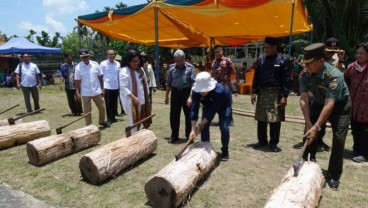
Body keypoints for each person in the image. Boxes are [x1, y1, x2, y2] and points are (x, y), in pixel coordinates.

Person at [299, 43, 351, 189]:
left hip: (339, 105)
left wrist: (317, 126)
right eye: (305, 63)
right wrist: (309, 123)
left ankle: (334, 175)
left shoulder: (335, 76)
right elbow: (304, 99)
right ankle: (308, 162)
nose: (306, 66)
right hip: (319, 101)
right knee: (308, 133)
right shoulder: (305, 74)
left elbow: (330, 104)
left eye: (310, 63)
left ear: (321, 61)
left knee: (339, 138)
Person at [250, 37, 291, 152]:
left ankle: (273, 143)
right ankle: (262, 141)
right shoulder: (261, 60)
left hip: (276, 93)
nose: (265, 49)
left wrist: (284, 96)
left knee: (275, 119)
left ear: (274, 47)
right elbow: (256, 76)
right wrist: (254, 92)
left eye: (268, 47)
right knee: (261, 118)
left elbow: (287, 79)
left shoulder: (283, 60)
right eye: (265, 47)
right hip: (263, 92)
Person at [189, 72, 232, 161]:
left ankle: (225, 151)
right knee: (204, 127)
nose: (202, 92)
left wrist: (200, 125)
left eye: (204, 90)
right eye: (201, 90)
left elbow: (212, 111)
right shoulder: (195, 91)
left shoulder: (220, 91)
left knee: (224, 127)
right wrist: (193, 129)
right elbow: (194, 108)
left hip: (224, 103)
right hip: (208, 104)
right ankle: (205, 148)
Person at [165, 49, 196, 143]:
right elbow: (168, 83)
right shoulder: (171, 68)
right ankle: (174, 136)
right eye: (177, 61)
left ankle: (188, 136)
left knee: (188, 115)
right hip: (175, 93)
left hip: (186, 92)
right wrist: (166, 96)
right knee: (174, 115)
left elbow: (193, 84)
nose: (179, 63)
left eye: (181, 60)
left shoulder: (190, 68)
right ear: (174, 59)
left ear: (184, 58)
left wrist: (190, 97)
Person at [344, 43, 368, 163]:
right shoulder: (351, 67)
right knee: (355, 128)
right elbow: (345, 80)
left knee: (365, 130)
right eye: (357, 53)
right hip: (354, 104)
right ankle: (357, 150)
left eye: (362, 53)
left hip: (367, 107)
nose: (358, 55)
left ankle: (365, 153)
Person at [119, 50, 152, 133]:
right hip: (132, 101)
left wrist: (148, 97)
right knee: (134, 121)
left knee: (141, 119)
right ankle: (133, 138)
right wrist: (133, 98)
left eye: (137, 61)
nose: (136, 63)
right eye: (133, 61)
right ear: (128, 61)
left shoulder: (140, 69)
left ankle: (137, 136)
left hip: (142, 99)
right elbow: (123, 87)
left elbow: (145, 84)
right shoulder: (124, 70)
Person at [74, 49, 108, 127]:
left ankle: (102, 121)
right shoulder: (78, 67)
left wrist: (102, 88)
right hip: (85, 92)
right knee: (87, 111)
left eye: (86, 56)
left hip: (97, 91)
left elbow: (100, 77)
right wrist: (77, 92)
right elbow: (77, 81)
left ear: (89, 56)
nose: (85, 58)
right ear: (80, 57)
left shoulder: (95, 64)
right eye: (83, 57)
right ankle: (89, 126)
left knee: (102, 107)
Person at [100, 49, 121, 126]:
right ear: (107, 55)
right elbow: (100, 76)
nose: (112, 56)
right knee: (108, 103)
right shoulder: (103, 64)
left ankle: (113, 117)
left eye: (113, 54)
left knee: (114, 103)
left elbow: (120, 75)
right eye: (110, 54)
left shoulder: (118, 64)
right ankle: (109, 119)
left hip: (115, 86)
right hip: (107, 86)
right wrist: (101, 88)